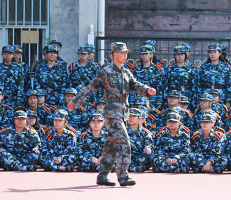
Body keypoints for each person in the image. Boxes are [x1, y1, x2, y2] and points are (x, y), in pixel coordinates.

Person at [68, 42, 156, 186]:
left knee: (111, 146)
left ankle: (103, 175)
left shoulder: (126, 72)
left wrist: (147, 90)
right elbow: (90, 87)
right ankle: (123, 175)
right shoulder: (105, 72)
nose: (125, 55)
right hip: (111, 112)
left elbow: (135, 85)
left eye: (126, 53)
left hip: (123, 112)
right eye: (123, 53)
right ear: (115, 54)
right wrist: (75, 101)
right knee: (124, 142)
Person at [162, 45, 198, 112]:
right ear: (175, 56)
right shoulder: (170, 68)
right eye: (178, 54)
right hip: (172, 96)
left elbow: (194, 86)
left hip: (186, 95)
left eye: (182, 54)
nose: (180, 56)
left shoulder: (191, 69)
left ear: (185, 55)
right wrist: (165, 99)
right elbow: (166, 85)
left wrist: (194, 101)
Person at [198, 44, 231, 108]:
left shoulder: (226, 67)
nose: (212, 54)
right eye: (210, 52)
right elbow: (199, 84)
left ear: (220, 53)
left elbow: (229, 85)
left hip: (221, 96)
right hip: (206, 96)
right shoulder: (204, 67)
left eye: (215, 52)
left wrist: (228, 101)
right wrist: (198, 100)